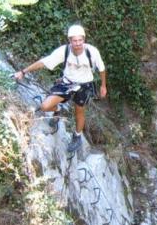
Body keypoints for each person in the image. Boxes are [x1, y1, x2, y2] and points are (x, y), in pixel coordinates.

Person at [14, 24, 107, 153]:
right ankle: (58, 110)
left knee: (79, 111)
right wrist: (23, 72)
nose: (78, 43)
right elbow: (44, 62)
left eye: (80, 40)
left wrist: (103, 85)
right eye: (75, 41)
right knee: (45, 106)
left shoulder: (91, 51)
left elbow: (101, 69)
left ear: (84, 39)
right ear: (70, 41)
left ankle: (77, 136)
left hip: (85, 84)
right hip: (67, 82)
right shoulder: (65, 51)